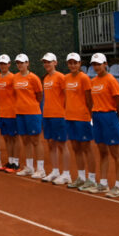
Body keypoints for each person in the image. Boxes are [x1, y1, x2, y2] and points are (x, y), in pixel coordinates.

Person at [86, 53, 119, 195]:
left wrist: (116, 119)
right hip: (97, 116)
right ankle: (103, 183)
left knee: (116, 153)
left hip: (109, 116)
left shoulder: (111, 80)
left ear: (105, 64)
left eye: (99, 64)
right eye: (94, 64)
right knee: (102, 152)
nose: (96, 67)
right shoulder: (93, 81)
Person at [64, 53, 96, 190]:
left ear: (80, 64)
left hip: (82, 118)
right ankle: (81, 177)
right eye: (70, 63)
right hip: (70, 117)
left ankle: (92, 179)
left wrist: (88, 115)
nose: (73, 65)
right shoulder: (65, 78)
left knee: (86, 148)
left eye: (75, 63)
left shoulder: (84, 78)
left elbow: (89, 100)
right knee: (76, 148)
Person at [40, 53, 72, 185]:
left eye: (49, 62)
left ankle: (66, 174)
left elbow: (67, 97)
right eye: (45, 62)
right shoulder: (46, 78)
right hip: (47, 115)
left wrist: (64, 112)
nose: (46, 64)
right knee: (51, 144)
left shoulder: (61, 77)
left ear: (55, 63)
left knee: (62, 144)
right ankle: (55, 171)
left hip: (59, 115)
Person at [12, 54, 45, 178]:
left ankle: (40, 169)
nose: (20, 65)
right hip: (20, 113)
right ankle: (29, 167)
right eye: (18, 63)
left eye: (22, 62)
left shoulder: (34, 78)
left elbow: (39, 95)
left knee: (36, 140)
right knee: (25, 141)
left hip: (33, 113)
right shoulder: (15, 78)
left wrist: (31, 105)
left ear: (27, 63)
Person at [0, 55, 19, 173]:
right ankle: (10, 160)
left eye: (5, 64)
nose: (3, 66)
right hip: (1, 112)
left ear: (9, 64)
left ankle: (16, 163)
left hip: (12, 113)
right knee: (7, 138)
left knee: (14, 138)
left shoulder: (13, 78)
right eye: (1, 64)